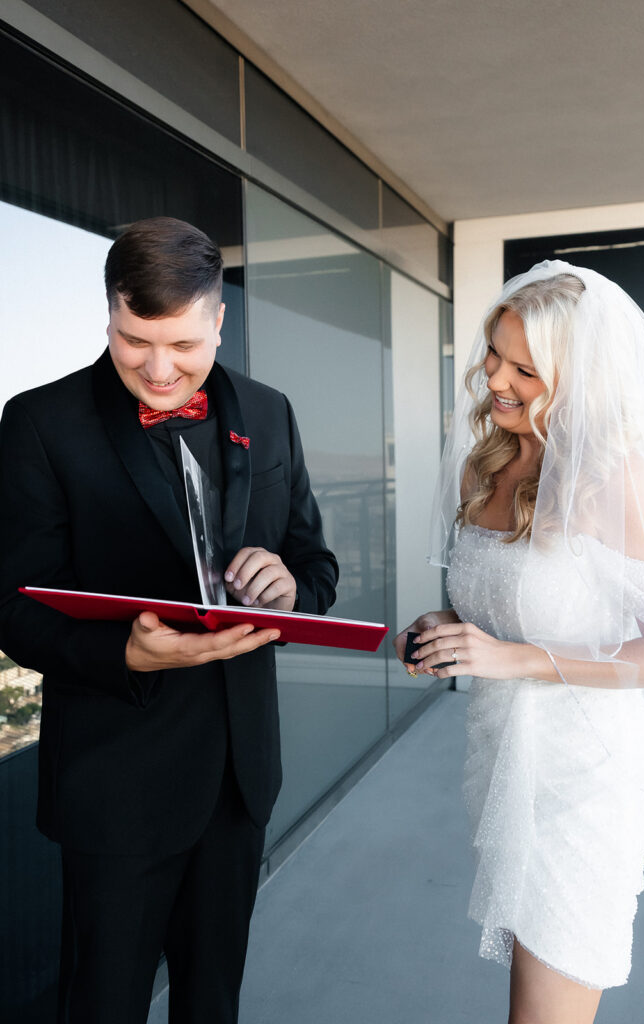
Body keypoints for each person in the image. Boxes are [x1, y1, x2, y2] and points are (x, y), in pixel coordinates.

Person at [0, 217, 338, 1024]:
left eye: (184, 345)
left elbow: (317, 567)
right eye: (131, 340)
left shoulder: (270, 409)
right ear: (110, 315)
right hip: (116, 783)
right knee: (102, 1005)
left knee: (212, 1002)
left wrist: (290, 585)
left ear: (219, 319)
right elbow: (13, 606)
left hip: (239, 778)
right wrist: (127, 653)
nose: (158, 369)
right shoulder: (40, 422)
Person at [394, 261, 644, 1024]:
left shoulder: (612, 482)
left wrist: (517, 659)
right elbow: (493, 605)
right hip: (501, 760)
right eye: (494, 354)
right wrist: (445, 633)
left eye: (526, 368)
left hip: (585, 776)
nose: (496, 379)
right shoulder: (480, 467)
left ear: (577, 378)